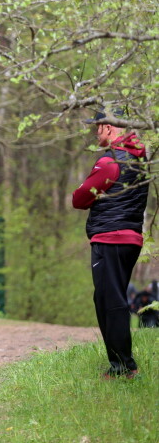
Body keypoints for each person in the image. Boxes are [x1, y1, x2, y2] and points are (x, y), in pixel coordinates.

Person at [72, 108, 148, 379]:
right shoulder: (140, 159)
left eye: (97, 126)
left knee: (110, 301)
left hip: (109, 238)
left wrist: (83, 187)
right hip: (131, 238)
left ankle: (123, 367)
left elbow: (80, 198)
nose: (95, 132)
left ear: (109, 127)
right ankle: (121, 363)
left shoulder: (110, 161)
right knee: (107, 298)